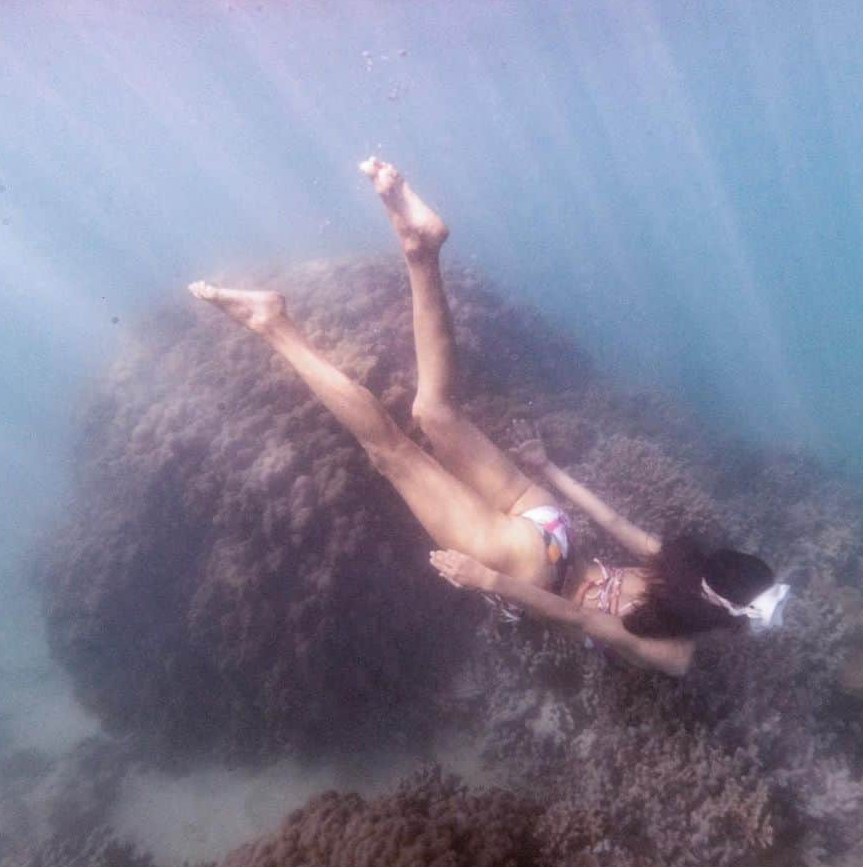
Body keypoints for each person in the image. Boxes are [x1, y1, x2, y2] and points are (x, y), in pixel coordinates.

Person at [189, 158, 789, 678]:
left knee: (435, 410)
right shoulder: (677, 656)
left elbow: (607, 516)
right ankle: (274, 324)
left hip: (553, 527)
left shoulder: (678, 563)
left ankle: (421, 249)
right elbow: (582, 617)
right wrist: (488, 581)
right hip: (528, 569)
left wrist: (546, 468)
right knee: (393, 452)